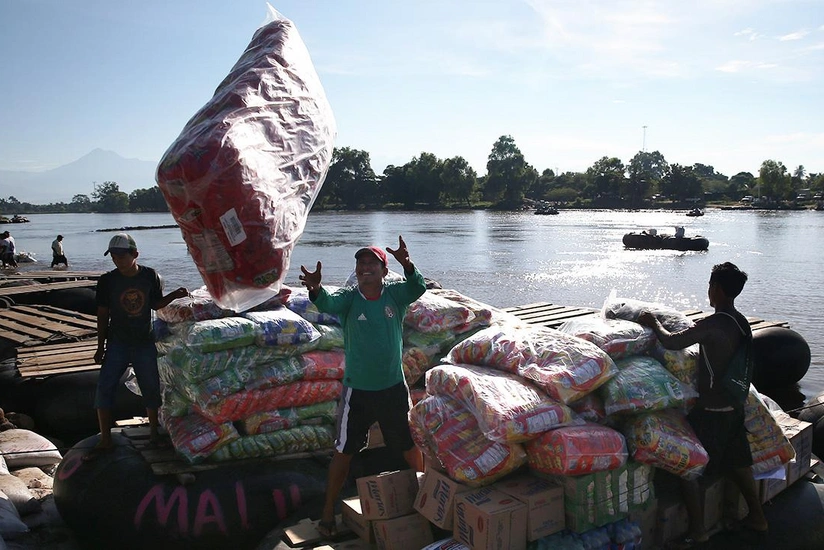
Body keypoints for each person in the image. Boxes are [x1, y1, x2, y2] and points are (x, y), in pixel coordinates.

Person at [300, 235, 426, 538]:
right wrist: (315, 288)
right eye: (361, 263)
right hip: (357, 391)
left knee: (408, 445)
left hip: (393, 388)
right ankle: (327, 514)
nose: (365, 267)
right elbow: (327, 302)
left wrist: (407, 264)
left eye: (372, 263)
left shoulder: (394, 295)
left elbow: (417, 288)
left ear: (384, 271)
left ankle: (426, 500)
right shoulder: (349, 298)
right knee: (343, 451)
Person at [638, 262, 768, 545]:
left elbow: (672, 342)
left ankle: (698, 531)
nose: (709, 290)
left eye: (710, 285)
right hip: (734, 407)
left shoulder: (714, 324)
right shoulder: (741, 321)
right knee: (738, 464)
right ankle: (754, 517)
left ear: (717, 289)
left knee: (687, 465)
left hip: (711, 412)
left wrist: (653, 322)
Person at [84, 233, 188, 461]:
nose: (117, 260)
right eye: (113, 256)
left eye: (121, 256)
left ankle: (154, 434)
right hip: (117, 343)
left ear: (135, 254)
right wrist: (100, 347)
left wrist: (175, 295)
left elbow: (155, 304)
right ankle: (105, 439)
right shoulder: (107, 281)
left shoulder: (150, 276)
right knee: (105, 387)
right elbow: (102, 314)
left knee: (150, 387)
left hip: (143, 342)